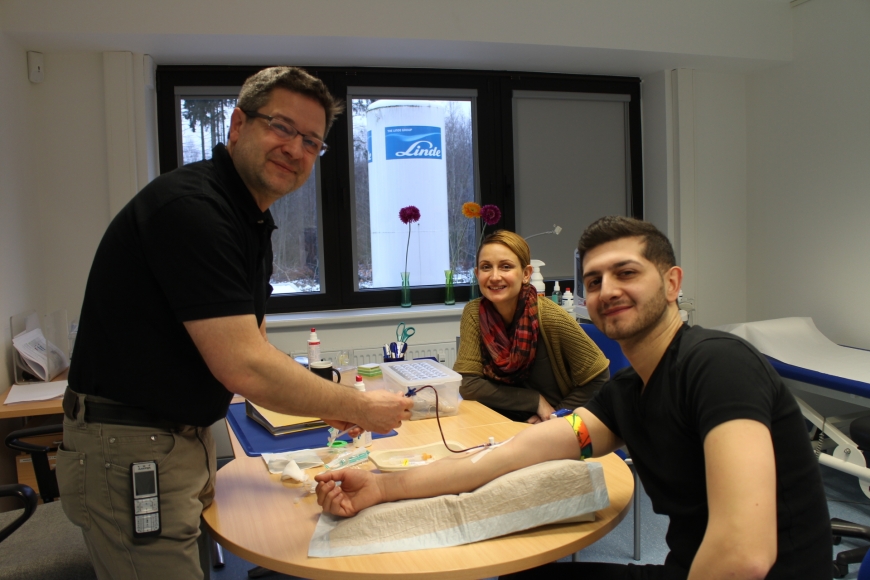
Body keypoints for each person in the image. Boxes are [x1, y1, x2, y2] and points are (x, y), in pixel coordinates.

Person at [316, 216, 832, 580]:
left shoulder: (716, 364)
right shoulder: (626, 397)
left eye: (627, 273)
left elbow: (744, 556)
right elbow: (501, 459)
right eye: (594, 280)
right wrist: (382, 487)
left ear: (672, 283)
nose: (608, 289)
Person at [56, 66, 413, 580]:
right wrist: (356, 406)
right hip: (131, 446)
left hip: (177, 437)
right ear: (238, 125)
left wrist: (329, 405)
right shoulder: (194, 210)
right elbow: (244, 366)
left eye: (311, 142)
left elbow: (255, 345)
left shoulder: (248, 219)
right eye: (282, 127)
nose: (295, 149)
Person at [454, 230, 609, 423]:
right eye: (486, 267)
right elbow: (467, 383)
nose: (494, 277)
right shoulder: (474, 313)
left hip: (553, 423)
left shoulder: (550, 317)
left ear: (526, 274)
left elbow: (599, 378)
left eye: (505, 267)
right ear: (477, 274)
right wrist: (534, 401)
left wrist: (554, 416)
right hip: (499, 420)